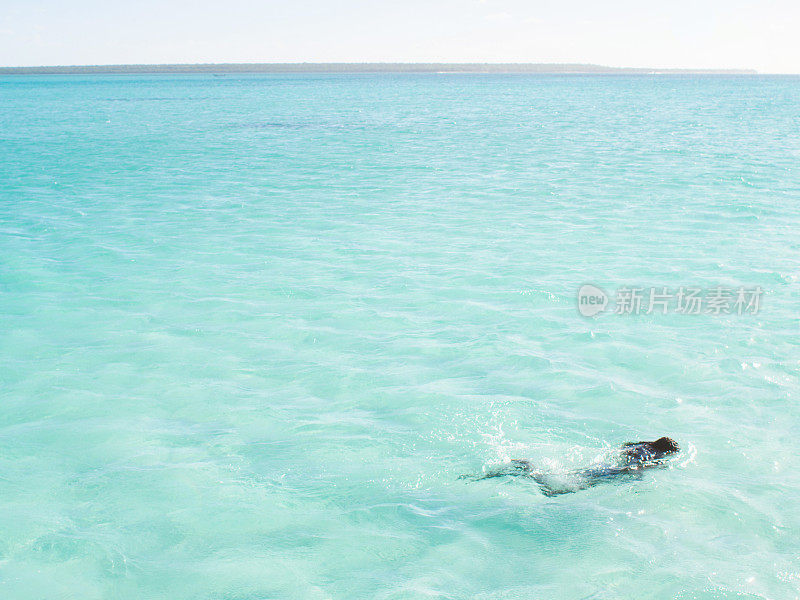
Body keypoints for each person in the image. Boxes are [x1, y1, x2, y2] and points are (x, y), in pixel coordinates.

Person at [465, 437, 680, 496]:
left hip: (605, 466)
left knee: (566, 481)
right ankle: (527, 469)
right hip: (610, 473)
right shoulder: (651, 455)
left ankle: (528, 470)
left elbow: (625, 448)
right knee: (559, 489)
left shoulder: (642, 445)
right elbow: (634, 467)